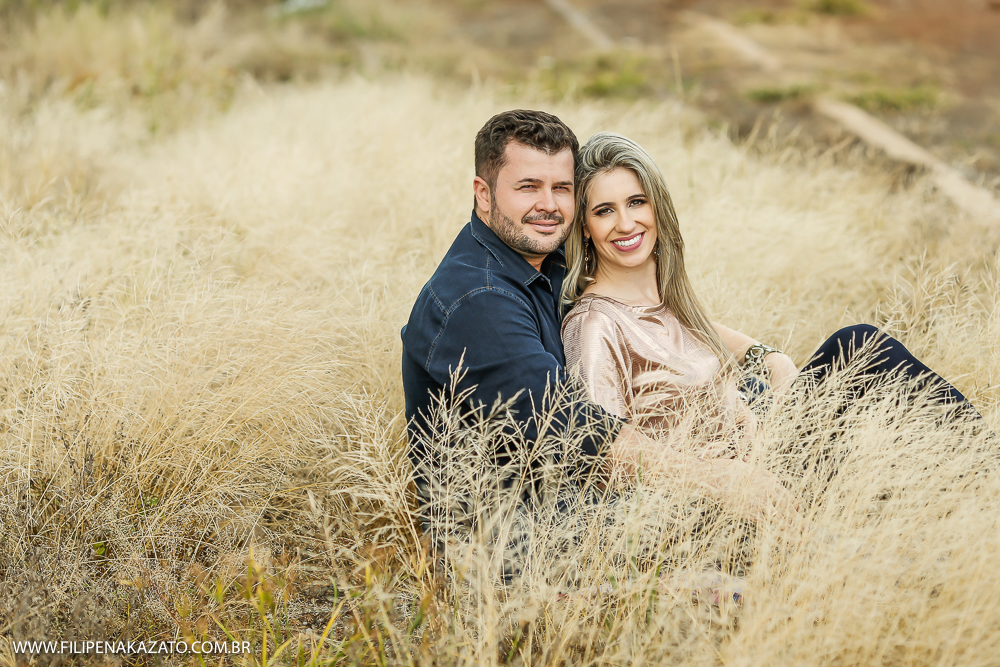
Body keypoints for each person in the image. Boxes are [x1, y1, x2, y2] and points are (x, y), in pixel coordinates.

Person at [401, 111, 801, 534]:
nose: (549, 205)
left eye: (562, 188)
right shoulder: (479, 301)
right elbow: (576, 431)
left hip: (595, 491)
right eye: (528, 187)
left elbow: (644, 316)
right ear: (484, 194)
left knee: (854, 349)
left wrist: (761, 355)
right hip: (534, 535)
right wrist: (717, 478)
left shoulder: (542, 253)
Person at [560, 131, 986, 473]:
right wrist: (721, 475)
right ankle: (986, 463)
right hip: (733, 491)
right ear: (584, 227)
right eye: (604, 211)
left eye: (636, 202)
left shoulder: (665, 296)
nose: (626, 223)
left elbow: (697, 334)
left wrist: (772, 360)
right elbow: (605, 454)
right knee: (856, 344)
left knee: (867, 359)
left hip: (769, 447)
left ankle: (981, 466)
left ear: (658, 206)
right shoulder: (595, 324)